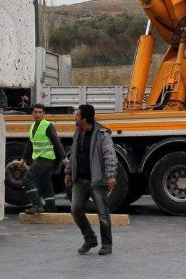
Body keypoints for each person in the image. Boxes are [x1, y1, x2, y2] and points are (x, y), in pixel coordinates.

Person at [64, 104, 118, 256]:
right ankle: (90, 239)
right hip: (79, 180)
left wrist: (111, 175)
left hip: (97, 181)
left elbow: (110, 155)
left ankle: (107, 244)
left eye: (78, 115)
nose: (75, 117)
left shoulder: (102, 134)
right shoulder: (78, 132)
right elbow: (73, 154)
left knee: (103, 214)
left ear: (84, 119)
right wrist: (68, 172)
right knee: (75, 209)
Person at [14, 103, 66, 214]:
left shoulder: (47, 125)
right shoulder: (33, 126)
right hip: (40, 158)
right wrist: (23, 160)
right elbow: (30, 144)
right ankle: (51, 208)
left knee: (28, 179)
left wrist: (64, 158)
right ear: (32, 113)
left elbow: (57, 142)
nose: (37, 114)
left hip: (46, 158)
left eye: (40, 112)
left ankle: (37, 205)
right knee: (45, 182)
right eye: (35, 112)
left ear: (44, 113)